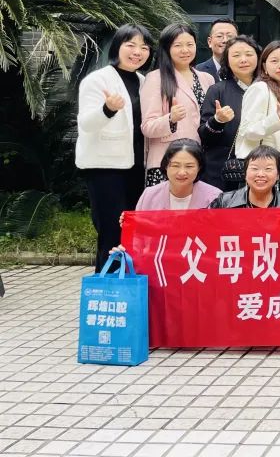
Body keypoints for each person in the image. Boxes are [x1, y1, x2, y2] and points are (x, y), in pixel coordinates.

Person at [76, 24, 152, 271]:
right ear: (117, 46)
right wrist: (107, 109)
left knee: (133, 232)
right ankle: (107, 286)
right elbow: (86, 124)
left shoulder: (143, 81)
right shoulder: (97, 80)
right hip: (105, 168)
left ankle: (129, 285)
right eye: (131, 45)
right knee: (111, 232)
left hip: (136, 167)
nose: (137, 52)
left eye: (144, 47)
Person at [141, 23, 216, 187]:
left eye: (190, 44)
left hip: (198, 162)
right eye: (178, 45)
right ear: (167, 48)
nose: (185, 50)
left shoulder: (207, 79)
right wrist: (170, 119)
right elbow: (147, 127)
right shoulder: (156, 78)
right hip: (167, 163)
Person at [236, 40, 280, 193]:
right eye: (274, 61)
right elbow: (247, 131)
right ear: (265, 67)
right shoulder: (260, 89)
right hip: (261, 168)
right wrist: (277, 121)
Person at [198, 34, 259, 190]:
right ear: (227, 61)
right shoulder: (217, 90)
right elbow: (204, 135)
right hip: (223, 171)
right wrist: (217, 121)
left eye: (249, 54)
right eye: (236, 55)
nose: (243, 60)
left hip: (261, 169)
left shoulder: (268, 89)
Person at [134, 139, 220, 211]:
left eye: (189, 166)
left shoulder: (215, 197)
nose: (181, 172)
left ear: (199, 168)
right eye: (175, 166)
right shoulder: (149, 195)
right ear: (166, 166)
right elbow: (138, 225)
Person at [210, 145, 280, 208]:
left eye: (268, 169)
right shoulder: (224, 202)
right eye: (255, 168)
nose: (260, 174)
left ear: (278, 175)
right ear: (245, 173)